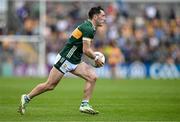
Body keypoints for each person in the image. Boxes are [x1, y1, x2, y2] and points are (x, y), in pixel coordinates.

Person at [18, 6, 106, 115]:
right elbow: (86, 50)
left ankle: (85, 105)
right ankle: (26, 98)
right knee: (50, 85)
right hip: (66, 58)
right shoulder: (88, 28)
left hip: (75, 60)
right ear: (95, 16)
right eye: (102, 16)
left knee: (92, 77)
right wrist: (96, 58)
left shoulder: (89, 27)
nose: (104, 18)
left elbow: (84, 49)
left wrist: (93, 56)